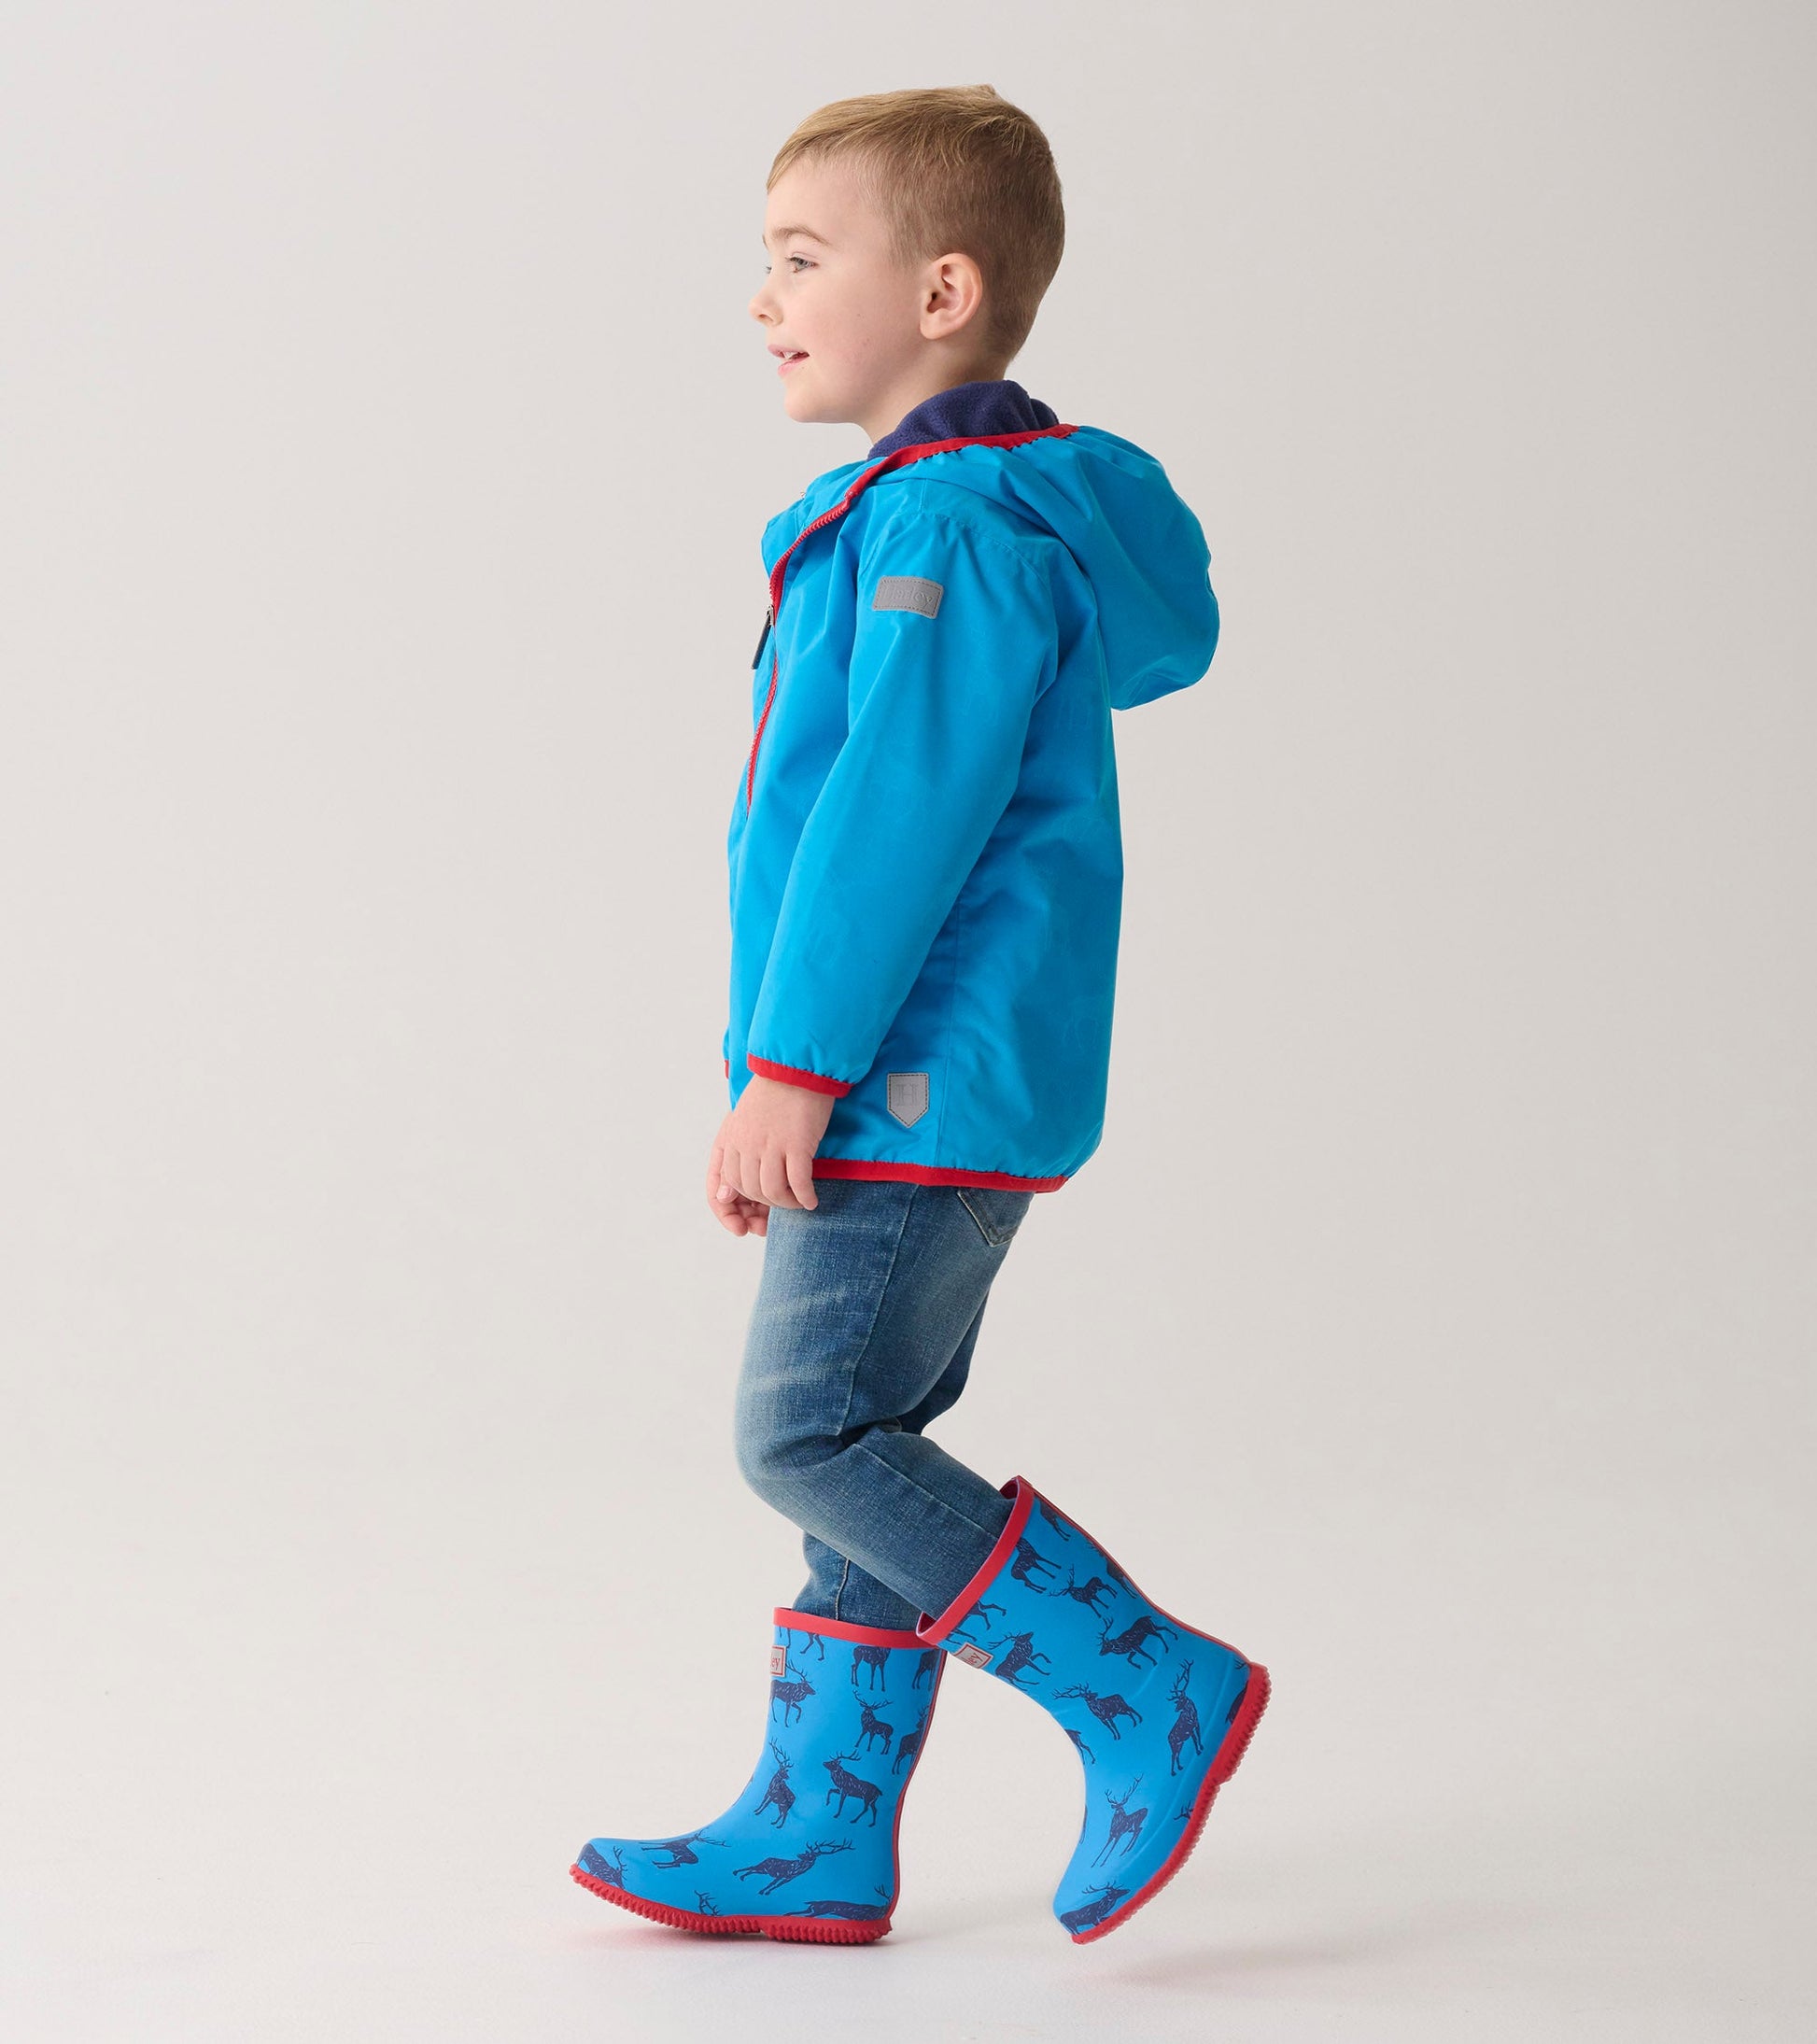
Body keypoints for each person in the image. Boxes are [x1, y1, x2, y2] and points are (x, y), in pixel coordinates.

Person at [571, 83, 1268, 1947]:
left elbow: (893, 830)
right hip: (926, 1069)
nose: (762, 298)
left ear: (942, 289)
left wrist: (791, 1074)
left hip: (907, 1068)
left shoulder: (946, 529)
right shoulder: (925, 516)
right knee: (858, 1439)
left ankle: (1145, 1683)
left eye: (802, 259)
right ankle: (815, 1825)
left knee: (802, 1435)